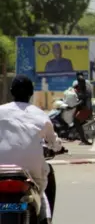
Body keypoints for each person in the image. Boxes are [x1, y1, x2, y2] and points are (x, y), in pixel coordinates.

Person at [0, 75, 63, 223]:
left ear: (11, 91)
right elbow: (54, 142)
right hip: (30, 170)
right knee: (41, 193)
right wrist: (58, 147)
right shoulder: (40, 115)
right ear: (31, 93)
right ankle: (45, 219)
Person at [71, 72, 93, 145]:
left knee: (76, 121)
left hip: (86, 109)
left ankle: (83, 139)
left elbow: (82, 101)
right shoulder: (80, 86)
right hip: (81, 108)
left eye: (80, 82)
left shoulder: (86, 89)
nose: (79, 84)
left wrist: (74, 105)